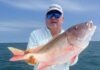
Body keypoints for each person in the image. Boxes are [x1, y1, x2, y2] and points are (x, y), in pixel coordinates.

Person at [27, 4, 78, 70]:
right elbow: (29, 61)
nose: (53, 17)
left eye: (57, 15)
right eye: (50, 15)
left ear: (62, 19)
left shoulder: (70, 36)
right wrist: (30, 60)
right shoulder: (35, 34)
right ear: (45, 19)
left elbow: (72, 62)